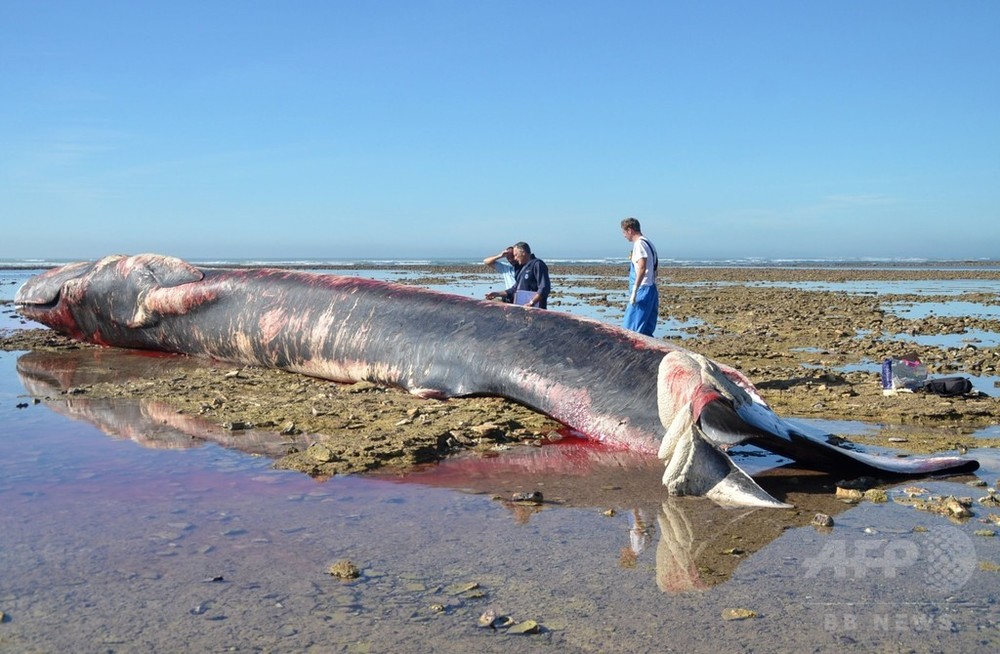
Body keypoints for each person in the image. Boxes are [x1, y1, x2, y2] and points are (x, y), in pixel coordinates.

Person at [621, 217, 659, 336]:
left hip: (642, 291)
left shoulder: (639, 244)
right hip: (651, 289)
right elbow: (654, 268)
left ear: (630, 230)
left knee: (631, 331)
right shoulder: (648, 243)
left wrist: (635, 291)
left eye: (624, 232)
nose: (624, 235)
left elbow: (642, 267)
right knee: (646, 330)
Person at [485, 242, 551, 308]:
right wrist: (496, 294)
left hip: (535, 309)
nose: (515, 258)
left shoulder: (537, 264)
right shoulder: (523, 268)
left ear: (523, 252)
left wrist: (532, 303)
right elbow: (513, 289)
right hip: (523, 307)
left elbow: (544, 288)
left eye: (516, 255)